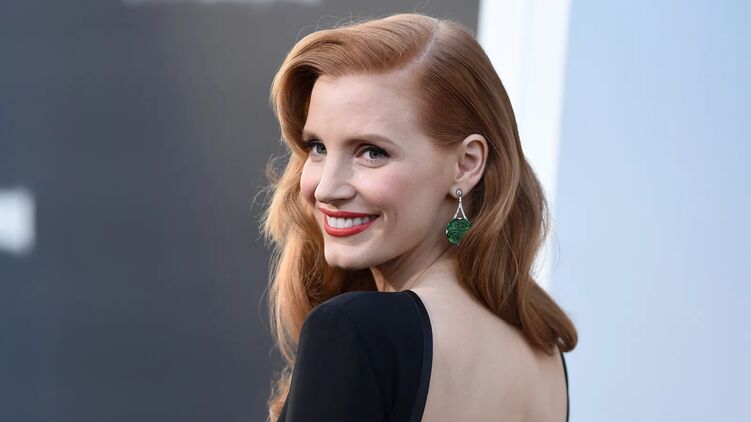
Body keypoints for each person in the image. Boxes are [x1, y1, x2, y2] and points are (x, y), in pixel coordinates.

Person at [262, 12, 578, 422]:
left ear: (466, 165)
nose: (326, 188)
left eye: (372, 152)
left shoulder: (355, 330)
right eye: (317, 147)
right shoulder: (543, 351)